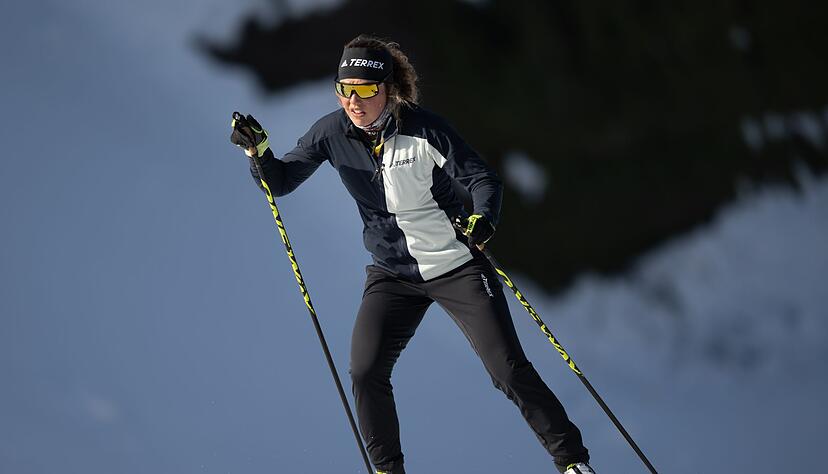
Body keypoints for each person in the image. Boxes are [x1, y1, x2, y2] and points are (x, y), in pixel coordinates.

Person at [231, 34, 594, 474]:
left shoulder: (425, 129)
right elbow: (281, 181)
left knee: (507, 370)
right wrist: (259, 152)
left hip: (455, 266)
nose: (353, 101)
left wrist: (484, 219)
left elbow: (483, 180)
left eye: (365, 89)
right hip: (392, 275)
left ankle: (572, 462)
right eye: (344, 89)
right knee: (365, 372)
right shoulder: (331, 133)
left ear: (389, 89)